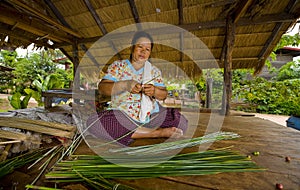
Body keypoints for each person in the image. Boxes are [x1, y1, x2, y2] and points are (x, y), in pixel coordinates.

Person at [86, 31, 188, 146]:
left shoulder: (154, 71)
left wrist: (154, 91)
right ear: (132, 48)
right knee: (94, 123)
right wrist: (125, 85)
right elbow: (102, 88)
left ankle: (134, 131)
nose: (143, 51)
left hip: (151, 116)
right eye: (140, 47)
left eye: (147, 49)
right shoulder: (118, 66)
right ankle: (155, 133)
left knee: (181, 122)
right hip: (123, 116)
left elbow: (163, 94)